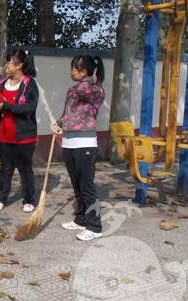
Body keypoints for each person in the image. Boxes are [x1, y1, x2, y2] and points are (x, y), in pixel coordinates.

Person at [51, 55, 106, 241]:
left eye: (75, 68)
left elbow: (86, 90)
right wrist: (58, 122)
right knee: (76, 185)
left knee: (87, 186)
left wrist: (91, 76)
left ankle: (95, 226)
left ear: (85, 71)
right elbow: (68, 113)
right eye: (73, 68)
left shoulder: (96, 90)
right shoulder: (73, 89)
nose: (72, 72)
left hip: (85, 144)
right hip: (69, 142)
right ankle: (81, 219)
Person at [0, 49, 39, 213]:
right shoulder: (2, 83)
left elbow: (30, 107)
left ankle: (29, 199)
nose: (6, 65)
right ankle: (0, 198)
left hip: (24, 135)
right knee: (6, 168)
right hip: (4, 133)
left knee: (25, 169)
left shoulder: (29, 84)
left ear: (19, 65)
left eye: (9, 62)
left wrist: (7, 106)